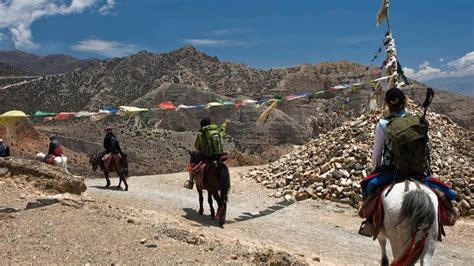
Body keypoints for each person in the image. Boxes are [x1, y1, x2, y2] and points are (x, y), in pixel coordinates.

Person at [184, 117, 228, 189]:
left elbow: (197, 146)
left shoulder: (202, 133)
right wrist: (224, 124)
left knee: (191, 163)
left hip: (207, 154)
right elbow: (222, 133)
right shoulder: (216, 131)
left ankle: (190, 182)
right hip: (218, 154)